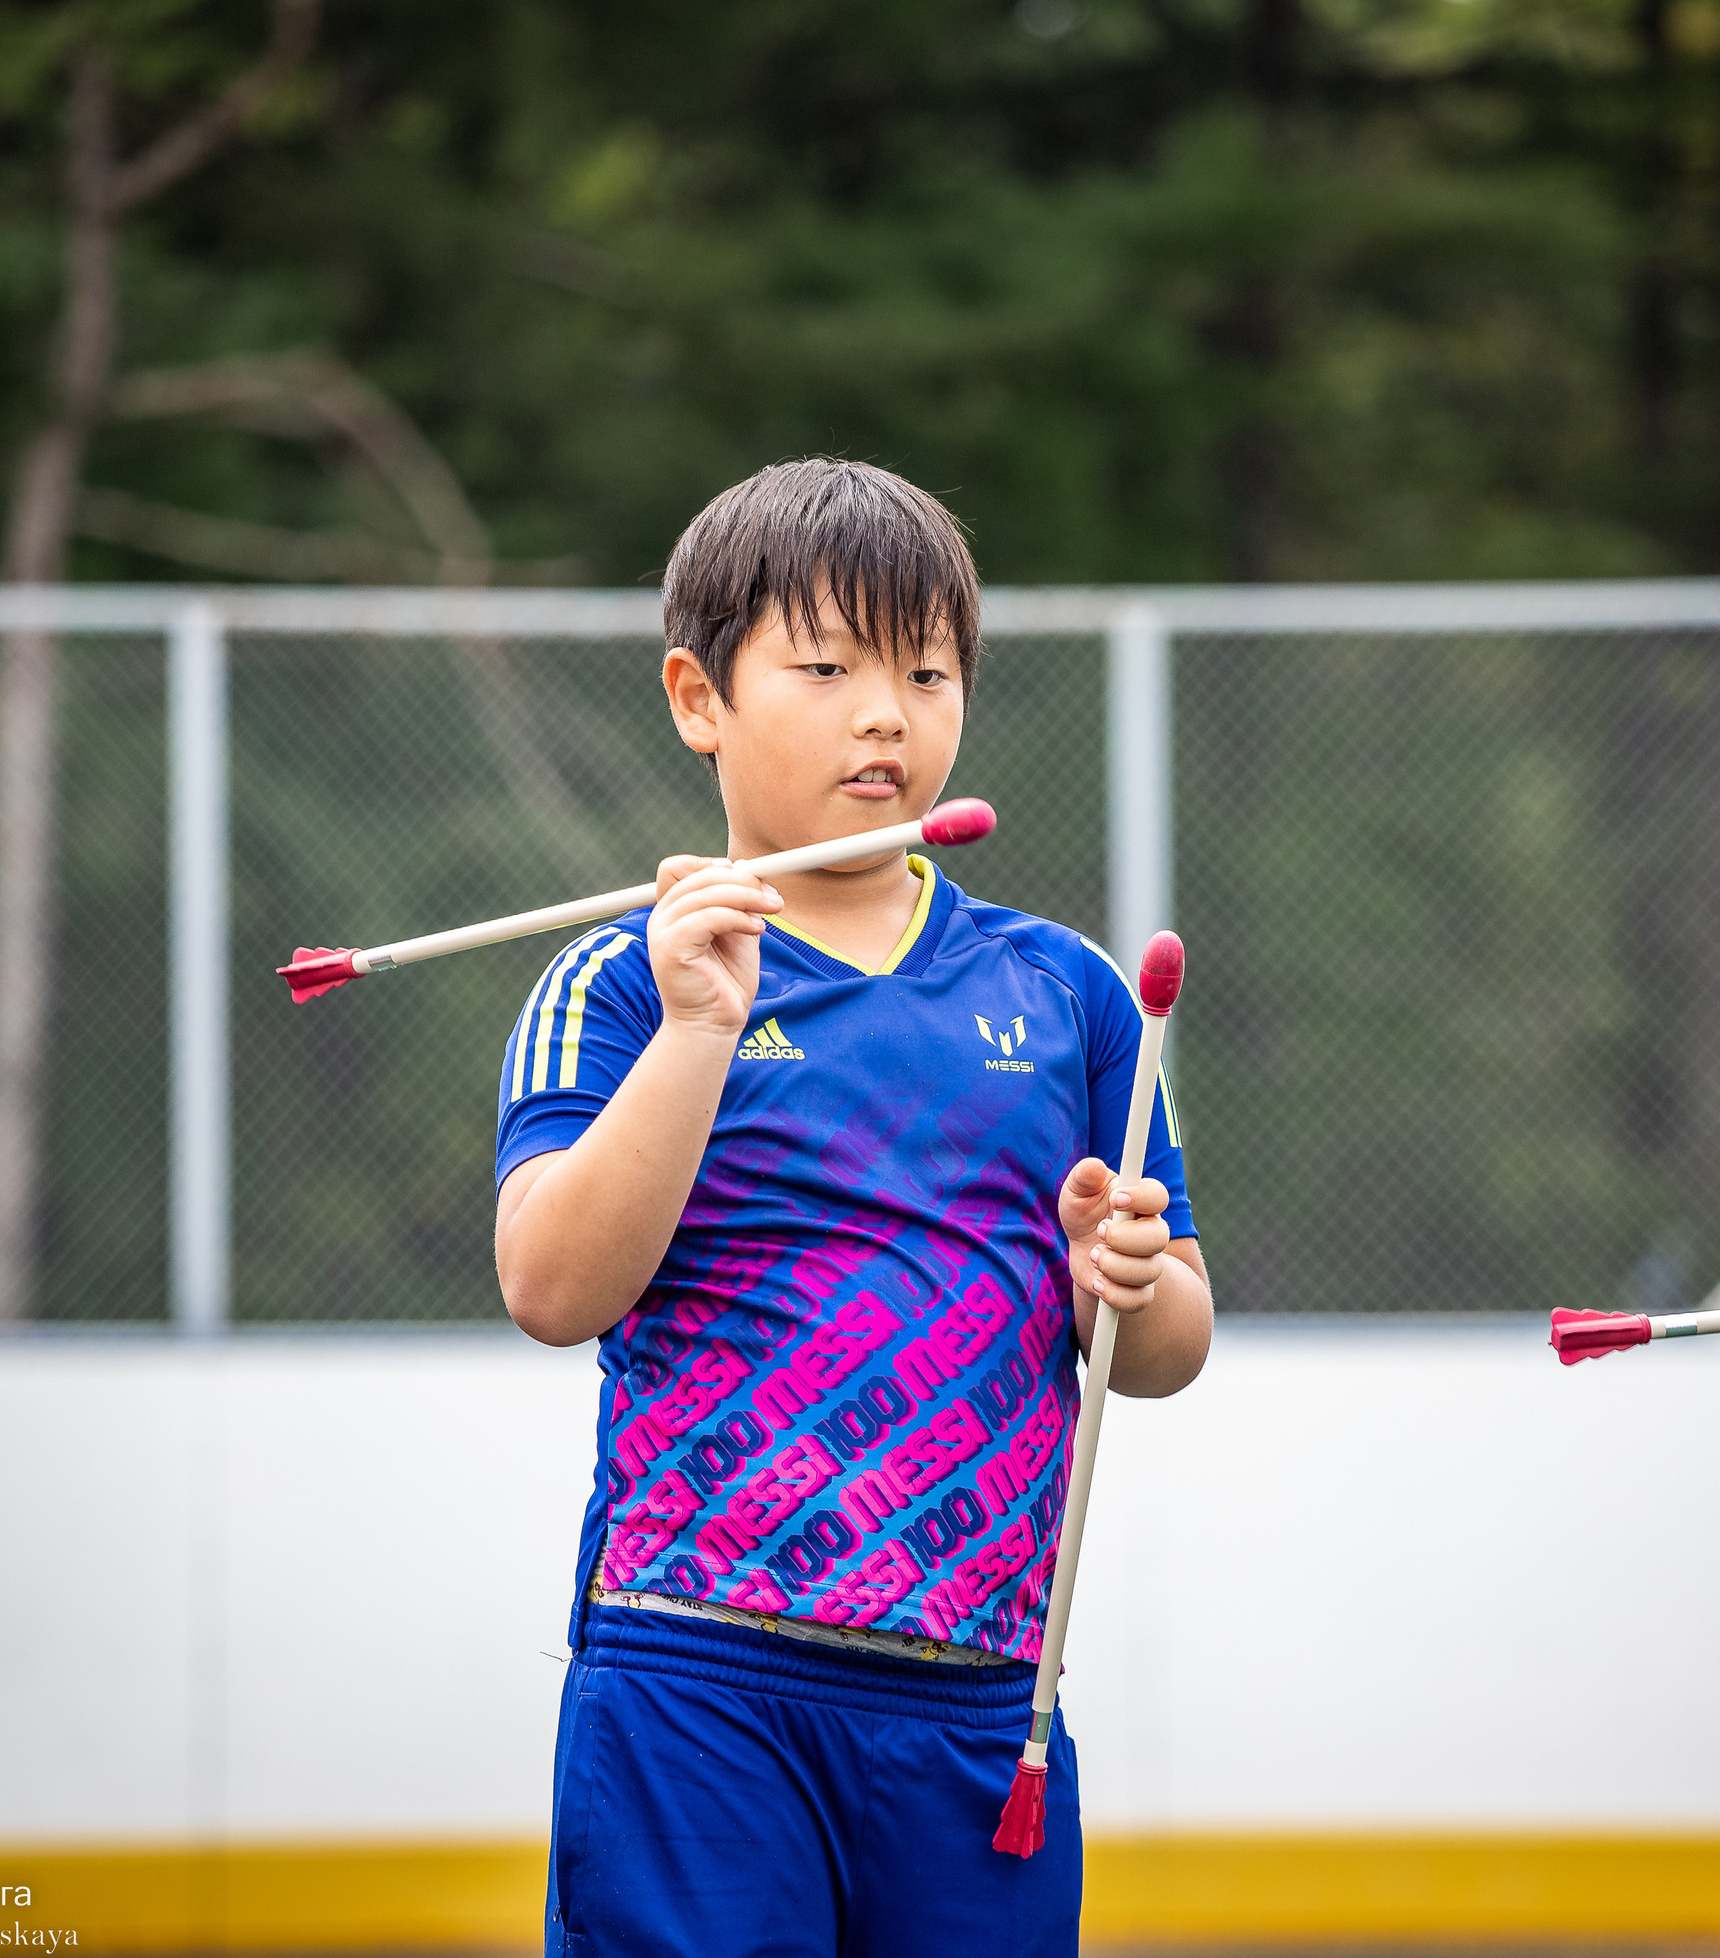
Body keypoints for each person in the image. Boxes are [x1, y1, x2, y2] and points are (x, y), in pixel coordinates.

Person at [492, 457, 1212, 1958]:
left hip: (980, 1706)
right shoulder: (618, 982)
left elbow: (1165, 1345)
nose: (887, 711)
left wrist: (1121, 1279)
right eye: (827, 667)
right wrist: (699, 1028)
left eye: (929, 670)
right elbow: (554, 1289)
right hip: (695, 1679)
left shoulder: (1066, 991)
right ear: (700, 697)